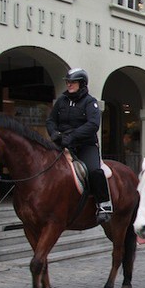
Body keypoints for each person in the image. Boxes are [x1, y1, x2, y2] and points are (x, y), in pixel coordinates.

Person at [46, 68, 113, 224]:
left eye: (72, 82)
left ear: (81, 84)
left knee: (94, 170)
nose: (69, 85)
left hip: (85, 146)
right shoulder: (61, 101)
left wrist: (72, 136)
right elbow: (50, 120)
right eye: (67, 82)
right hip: (62, 144)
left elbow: (93, 124)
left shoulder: (90, 102)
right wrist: (54, 133)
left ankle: (104, 204)